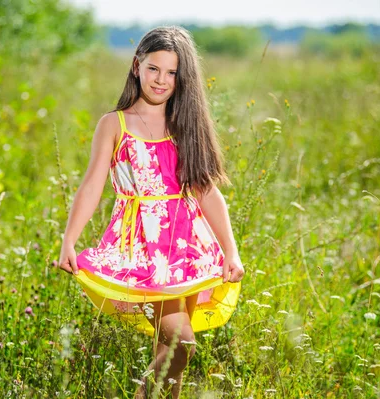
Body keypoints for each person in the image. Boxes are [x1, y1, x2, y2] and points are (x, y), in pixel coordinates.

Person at [58, 26, 245, 399]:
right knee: (181, 343)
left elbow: (207, 192)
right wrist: (69, 239)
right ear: (136, 66)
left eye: (172, 73)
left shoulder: (185, 125)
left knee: (171, 354)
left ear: (182, 77)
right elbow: (93, 184)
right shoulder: (115, 124)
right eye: (154, 69)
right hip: (145, 247)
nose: (162, 80)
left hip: (189, 244)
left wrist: (231, 250)